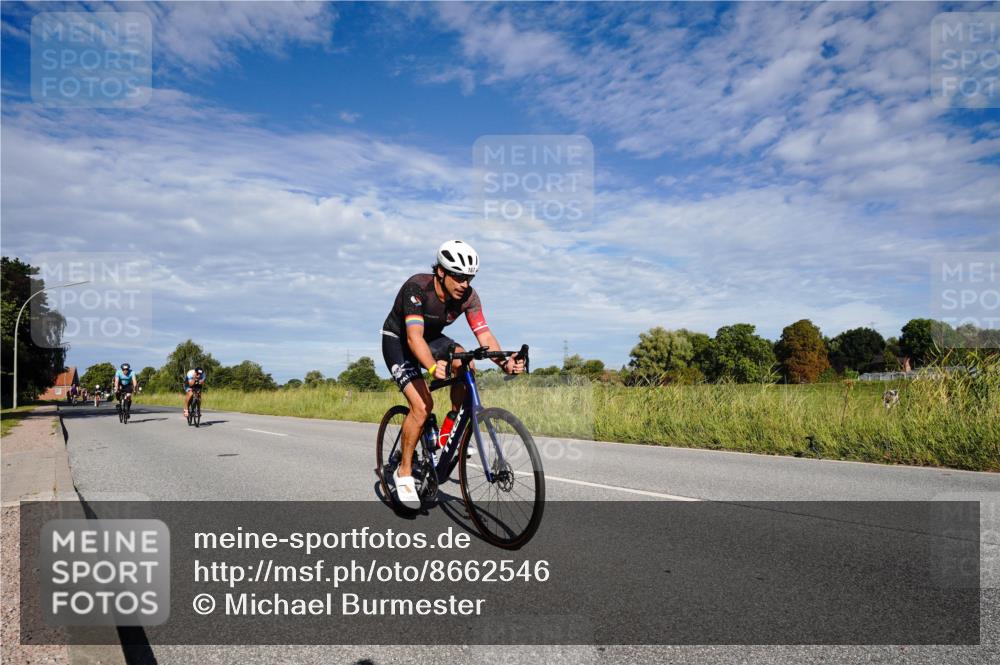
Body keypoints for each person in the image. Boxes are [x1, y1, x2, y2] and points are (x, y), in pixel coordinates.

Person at [380, 240, 524, 508]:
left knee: (466, 363)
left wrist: (504, 363)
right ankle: (405, 471)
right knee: (422, 406)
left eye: (468, 277)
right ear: (441, 273)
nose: (464, 283)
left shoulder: (469, 297)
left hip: (432, 338)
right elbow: (414, 338)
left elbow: (484, 335)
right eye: (458, 276)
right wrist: (433, 367)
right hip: (399, 341)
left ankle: (448, 434)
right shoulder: (416, 288)